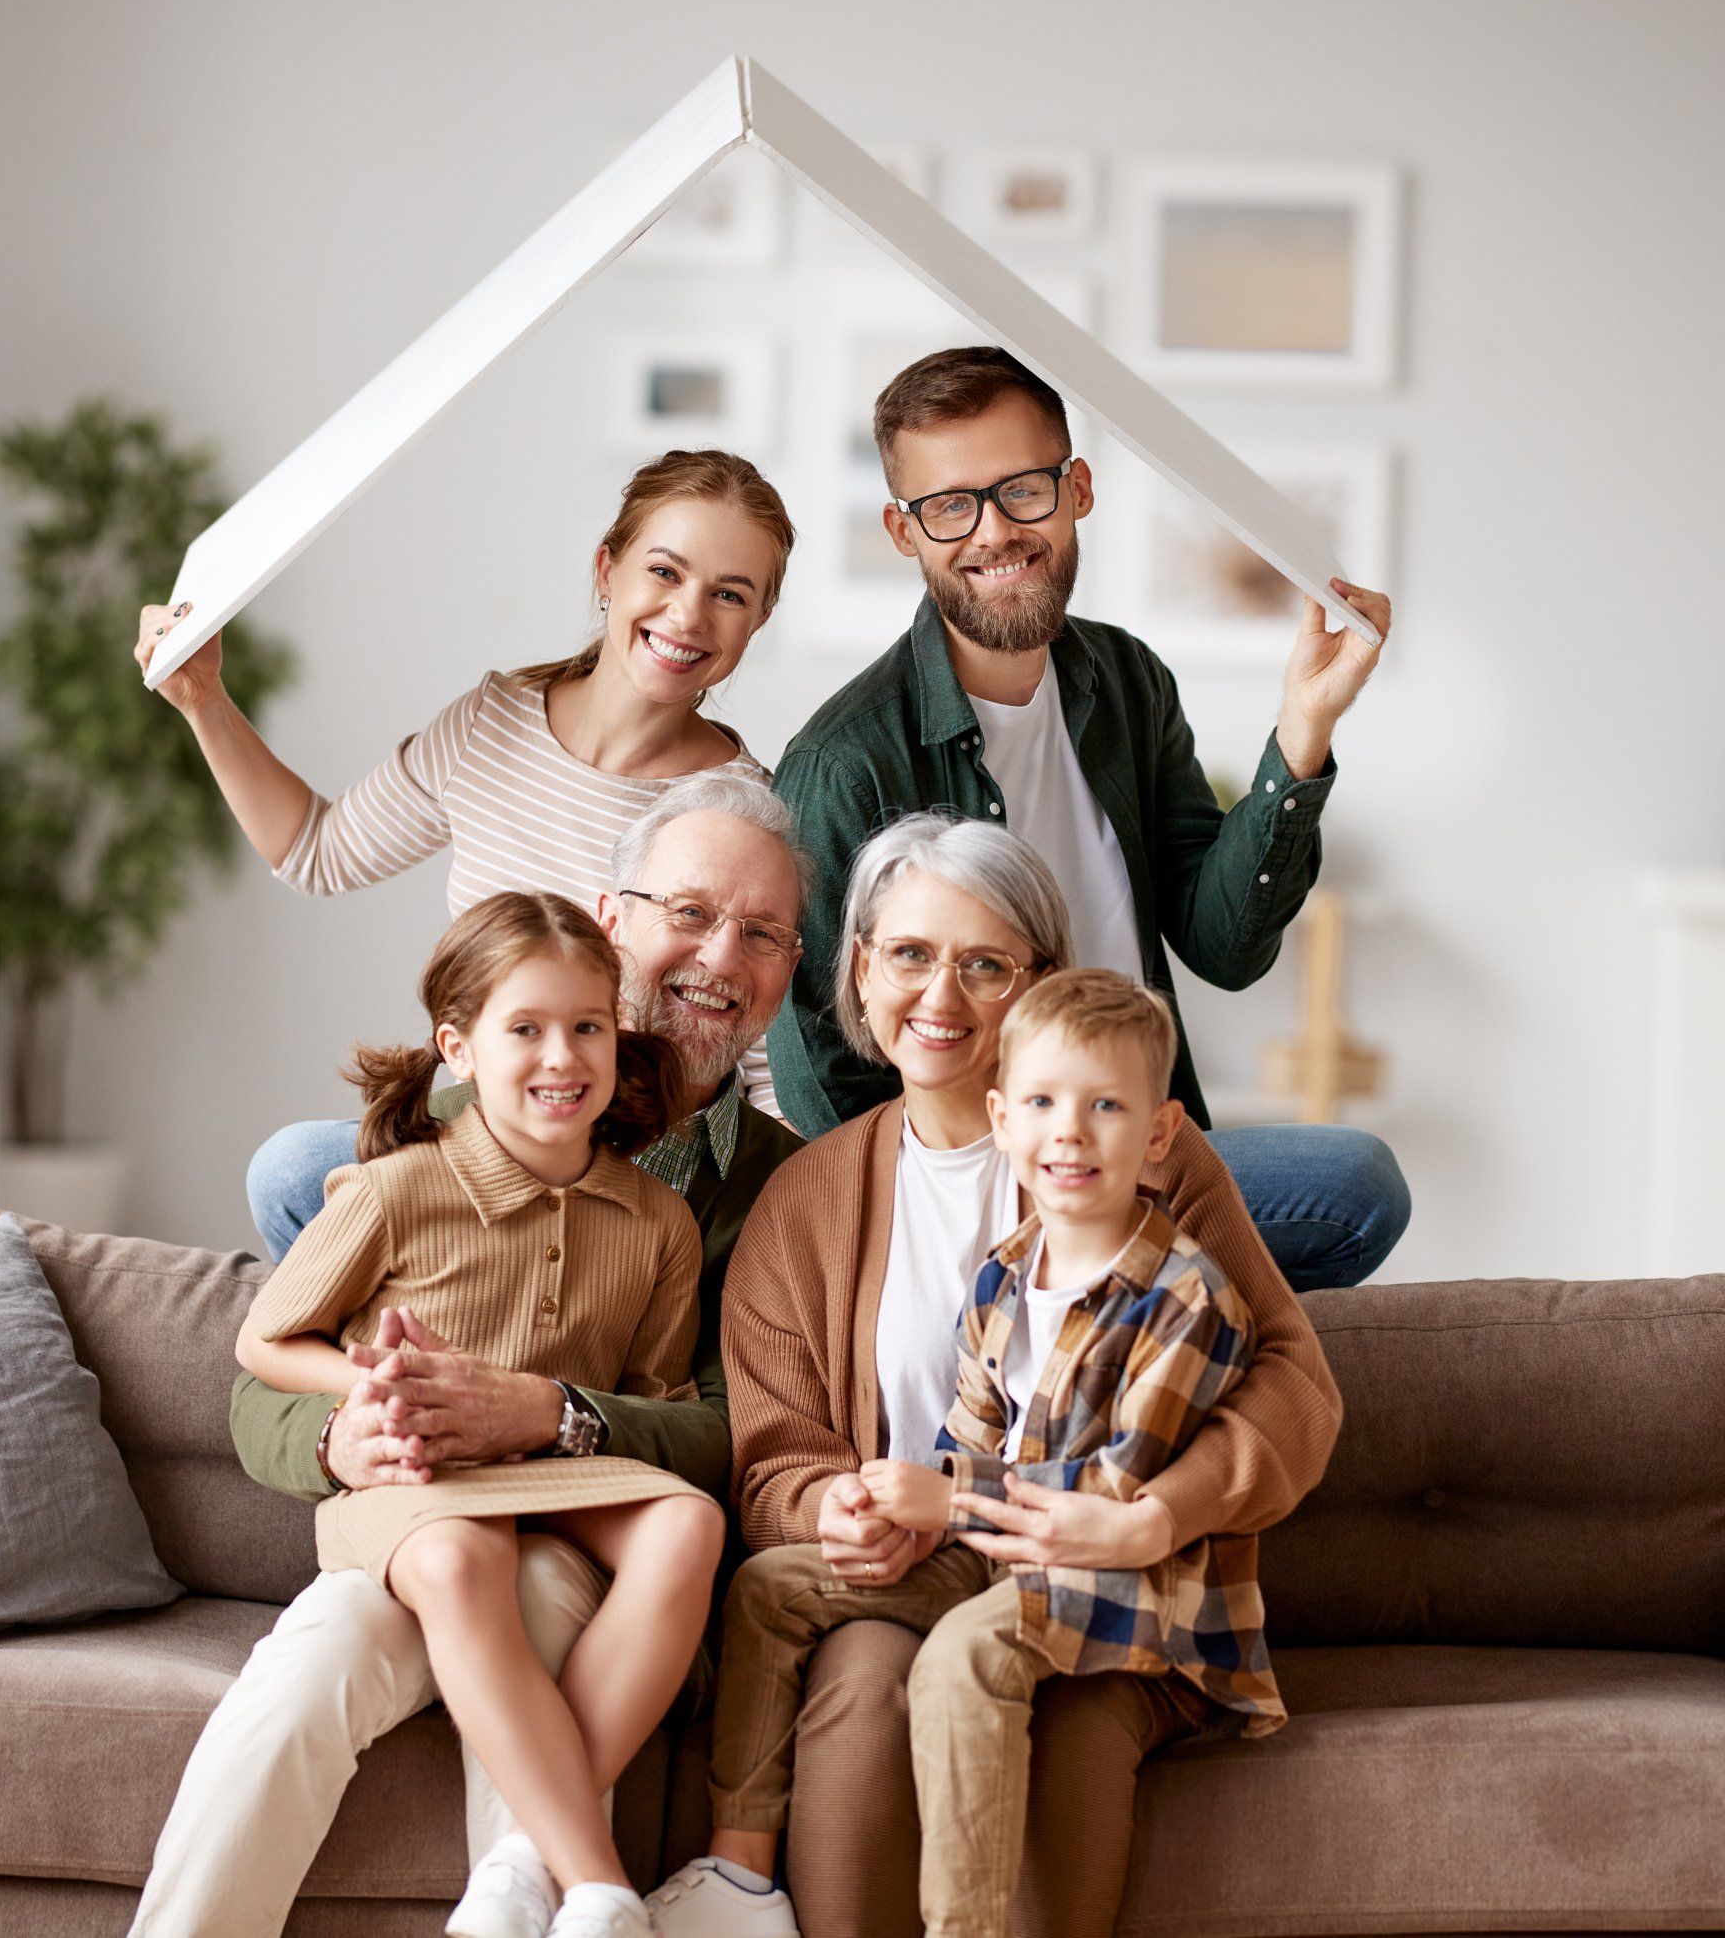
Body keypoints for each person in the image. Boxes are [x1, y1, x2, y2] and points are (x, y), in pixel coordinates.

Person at [131, 777, 809, 1938]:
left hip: (580, 1540)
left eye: (763, 931)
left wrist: (545, 1410)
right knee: (318, 1655)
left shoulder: (773, 1192)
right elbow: (266, 1376)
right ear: (612, 920)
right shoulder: (434, 1137)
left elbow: (723, 1430)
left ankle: (534, 1878)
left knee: (534, 1589)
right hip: (422, 1517)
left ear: (793, 966)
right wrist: (350, 1429)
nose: (719, 955)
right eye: (691, 911)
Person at [648, 815, 1339, 1938]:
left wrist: (1154, 1516)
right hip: (920, 1567)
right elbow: (771, 1461)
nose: (942, 995)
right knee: (862, 1684)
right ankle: (746, 1889)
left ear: (1041, 985)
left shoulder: (1144, 1160)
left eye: (986, 964)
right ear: (860, 971)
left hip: (1117, 1586)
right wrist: (838, 1508)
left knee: (1061, 1722)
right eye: (910, 955)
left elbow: (1296, 1384)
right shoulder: (805, 1203)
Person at [766, 346, 1408, 1290]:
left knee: (1357, 1190)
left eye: (1023, 489)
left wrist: (1303, 731)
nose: (994, 531)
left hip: (1144, 1143)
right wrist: (951, 1217)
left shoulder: (1128, 680)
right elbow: (818, 1070)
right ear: (904, 531)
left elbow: (1226, 948)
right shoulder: (846, 762)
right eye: (950, 506)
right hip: (981, 1184)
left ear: (1078, 490)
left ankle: (1128, 1313)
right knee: (1347, 1189)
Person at [229, 889, 725, 1938]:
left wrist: (555, 1413)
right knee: (462, 1557)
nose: (563, 1056)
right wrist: (369, 1389)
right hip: (419, 1486)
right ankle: (595, 1883)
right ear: (458, 1048)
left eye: (587, 1026)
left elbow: (661, 1403)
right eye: (526, 1028)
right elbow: (262, 1343)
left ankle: (520, 1861)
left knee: (688, 1520)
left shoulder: (660, 1222)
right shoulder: (390, 1189)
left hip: (560, 1478)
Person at [135, 445, 793, 1109]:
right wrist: (204, 699)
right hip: (476, 1135)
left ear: (758, 620)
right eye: (664, 572)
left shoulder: (748, 815)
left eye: (729, 595)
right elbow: (316, 849)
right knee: (295, 1160)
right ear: (607, 570)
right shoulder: (490, 726)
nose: (688, 615)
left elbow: (770, 1076)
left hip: (636, 1156)